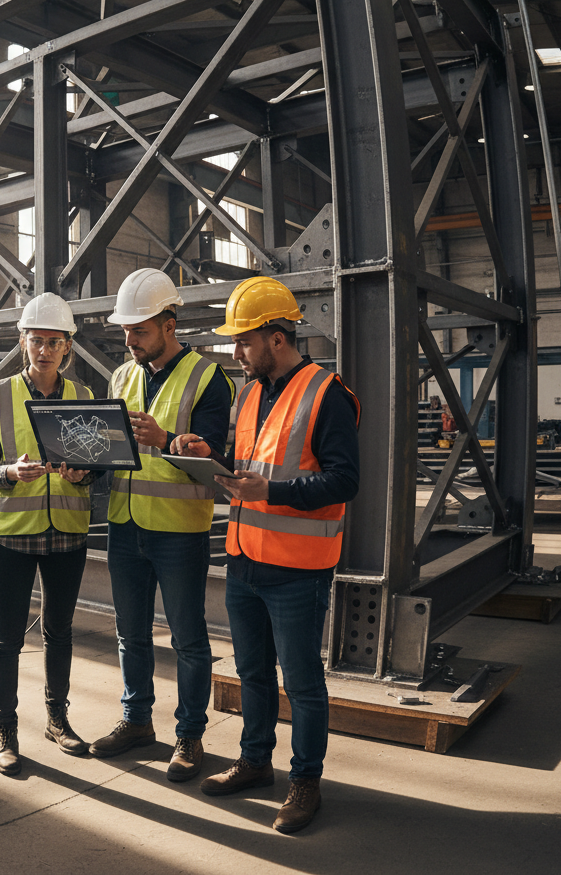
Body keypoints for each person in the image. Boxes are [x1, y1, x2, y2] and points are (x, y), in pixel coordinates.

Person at [173, 276, 359, 832]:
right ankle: (255, 761)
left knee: (302, 682)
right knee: (253, 672)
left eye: (245, 341)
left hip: (298, 570)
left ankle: (306, 781)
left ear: (277, 338)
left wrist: (271, 492)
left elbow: (344, 481)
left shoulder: (329, 394)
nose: (237, 352)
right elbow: (249, 460)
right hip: (245, 560)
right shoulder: (252, 391)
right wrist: (214, 455)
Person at [89, 268, 234, 782]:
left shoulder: (208, 378)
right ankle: (136, 721)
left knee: (189, 639)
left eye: (140, 331)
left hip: (178, 529)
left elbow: (218, 461)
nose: (129, 342)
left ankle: (189, 735)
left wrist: (168, 438)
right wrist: (85, 461)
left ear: (169, 324)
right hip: (124, 524)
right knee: (131, 634)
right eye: (126, 332)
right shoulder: (121, 376)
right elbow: (112, 451)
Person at [0, 292, 97, 777]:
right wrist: (9, 472)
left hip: (66, 535)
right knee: (7, 638)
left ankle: (57, 721)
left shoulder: (85, 399)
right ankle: (6, 731)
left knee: (59, 633)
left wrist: (81, 476)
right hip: (13, 538)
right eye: (36, 341)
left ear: (67, 347)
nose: (44, 350)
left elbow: (98, 468)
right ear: (22, 342)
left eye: (54, 342)